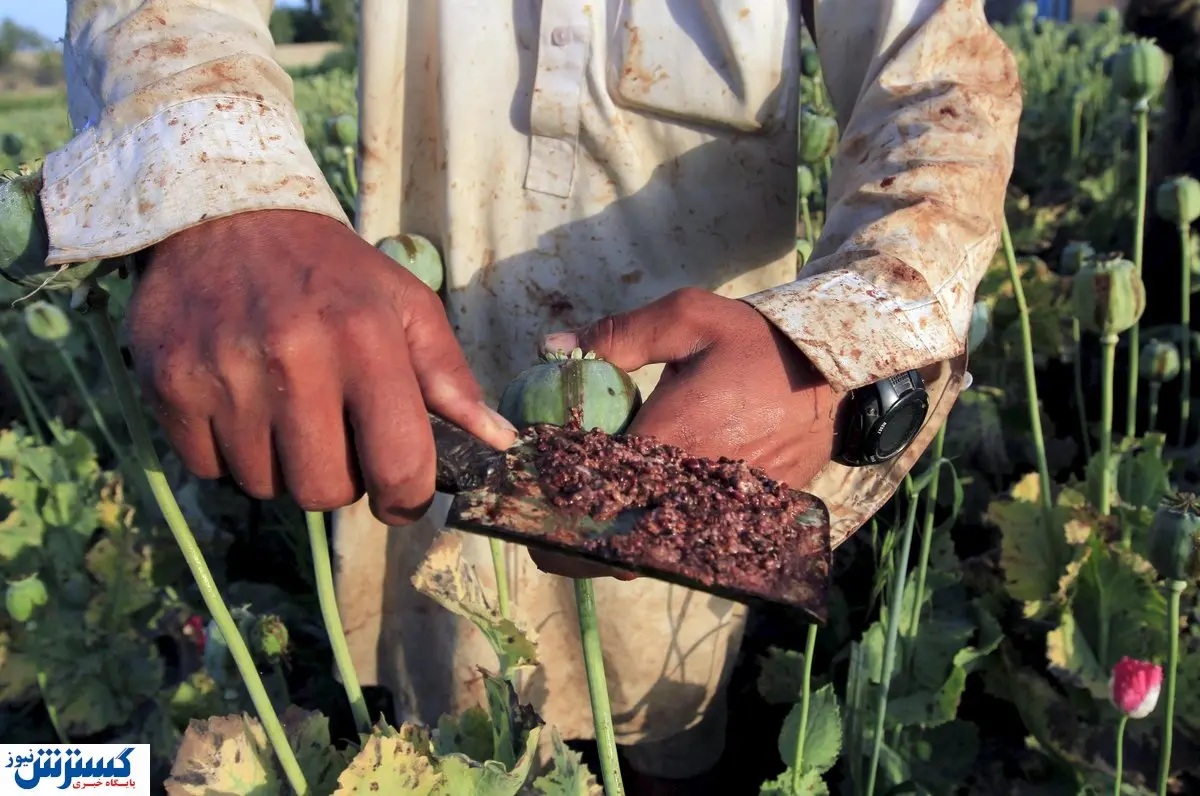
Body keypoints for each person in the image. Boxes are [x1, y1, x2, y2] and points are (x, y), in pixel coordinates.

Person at [44, 1, 1020, 792]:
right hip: (424, 429)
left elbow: (939, 80)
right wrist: (222, 185)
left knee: (671, 714)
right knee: (459, 717)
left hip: (705, 432)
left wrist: (829, 344)